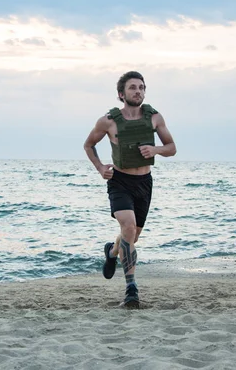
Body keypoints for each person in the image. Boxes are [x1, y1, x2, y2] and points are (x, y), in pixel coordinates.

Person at [83, 71, 177, 308]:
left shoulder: (154, 118)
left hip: (144, 183)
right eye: (133, 87)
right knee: (127, 227)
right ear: (121, 94)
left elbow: (172, 147)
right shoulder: (108, 121)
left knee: (131, 236)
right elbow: (89, 144)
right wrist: (99, 167)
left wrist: (155, 150)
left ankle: (112, 253)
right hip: (119, 181)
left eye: (142, 87)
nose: (138, 91)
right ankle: (131, 289)